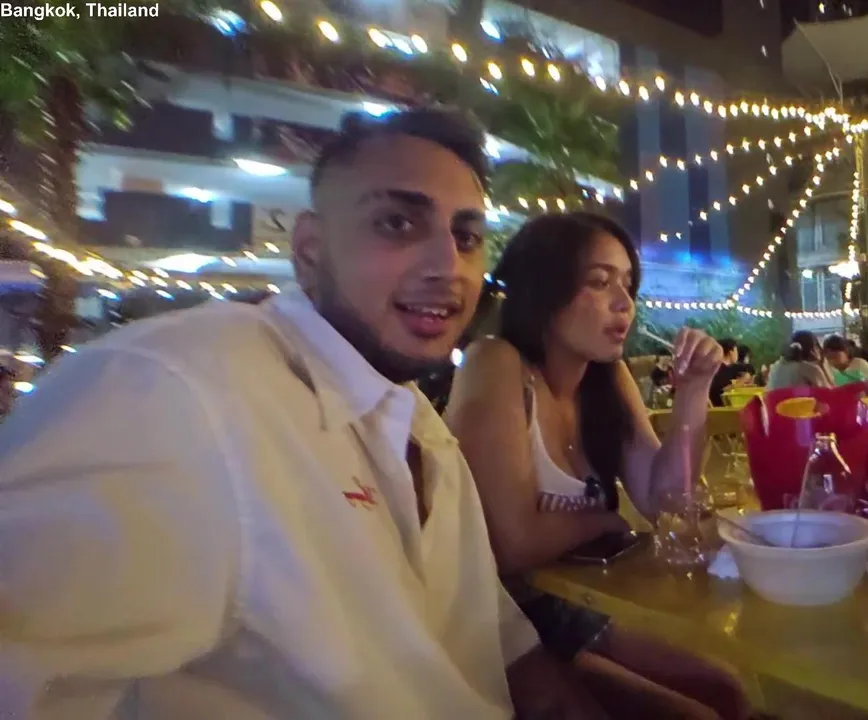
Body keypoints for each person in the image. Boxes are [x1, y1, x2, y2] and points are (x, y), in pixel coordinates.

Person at [0, 106, 605, 718]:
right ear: (311, 250)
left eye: (466, 237)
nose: (449, 266)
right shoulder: (173, 390)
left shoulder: (414, 417)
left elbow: (496, 642)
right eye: (397, 222)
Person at [446, 212, 748, 720]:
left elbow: (666, 502)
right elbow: (512, 543)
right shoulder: (494, 362)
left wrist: (694, 391)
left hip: (572, 608)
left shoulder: (608, 378)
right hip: (496, 622)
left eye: (628, 284)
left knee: (726, 691)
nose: (624, 302)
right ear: (545, 288)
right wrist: (606, 520)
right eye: (600, 281)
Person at [767, 330, 833, 390]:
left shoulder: (775, 366)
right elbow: (830, 394)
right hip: (800, 399)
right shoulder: (810, 368)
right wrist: (822, 367)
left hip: (776, 400)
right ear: (812, 349)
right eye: (817, 346)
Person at [709, 337, 742, 406]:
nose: (737, 355)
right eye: (736, 351)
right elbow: (719, 392)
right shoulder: (721, 370)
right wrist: (736, 385)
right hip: (721, 409)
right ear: (730, 352)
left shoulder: (716, 368)